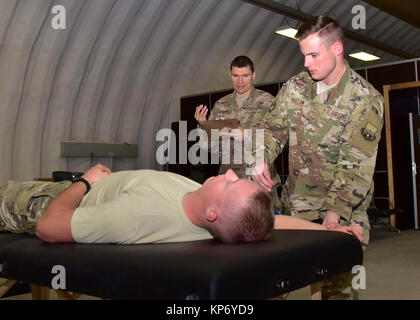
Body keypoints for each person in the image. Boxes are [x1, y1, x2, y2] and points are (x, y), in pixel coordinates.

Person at [251, 15, 384, 248]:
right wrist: (261, 156)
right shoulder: (296, 87)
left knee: (336, 281)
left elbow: (356, 165)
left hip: (342, 212)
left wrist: (334, 212)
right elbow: (272, 128)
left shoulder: (365, 99)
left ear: (337, 48)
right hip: (297, 209)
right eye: (304, 55)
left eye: (313, 55)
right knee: (296, 276)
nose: (306, 63)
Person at [0, 164, 363, 244]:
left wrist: (85, 181)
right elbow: (273, 222)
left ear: (212, 214)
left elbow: (49, 227)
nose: (231, 172)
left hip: (42, 201)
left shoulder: (138, 214)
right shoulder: (201, 202)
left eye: (230, 184)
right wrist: (331, 229)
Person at [194, 55, 281, 209]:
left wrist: (246, 134)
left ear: (253, 75)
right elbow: (209, 147)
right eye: (235, 76)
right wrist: (204, 126)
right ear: (230, 75)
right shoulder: (221, 105)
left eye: (245, 76)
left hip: (258, 179)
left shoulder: (267, 101)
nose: (240, 81)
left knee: (263, 226)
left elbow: (277, 136)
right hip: (230, 180)